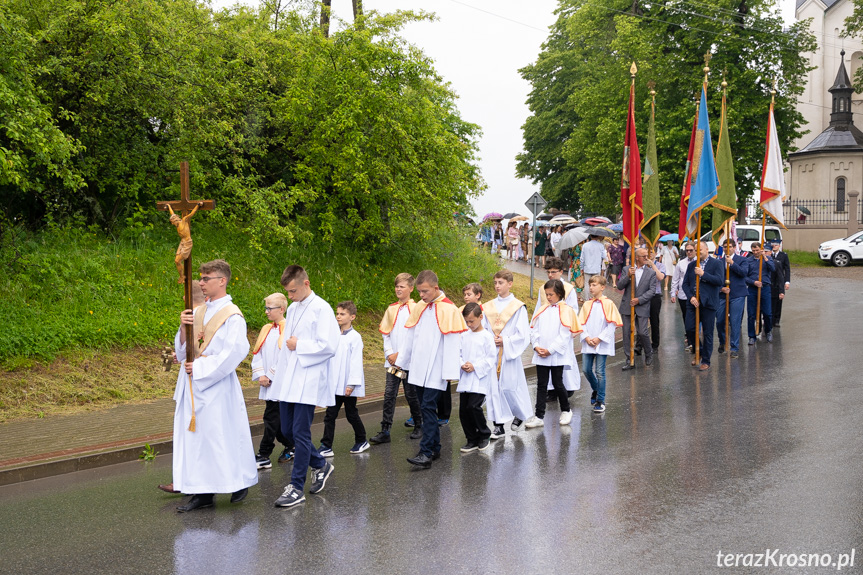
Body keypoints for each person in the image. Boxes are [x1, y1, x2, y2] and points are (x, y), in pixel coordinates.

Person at [172, 259, 258, 512]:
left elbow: (234, 352)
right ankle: (202, 492)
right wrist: (182, 327)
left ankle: (236, 480)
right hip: (191, 383)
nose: (201, 283)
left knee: (217, 437)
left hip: (215, 384)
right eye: (200, 278)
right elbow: (181, 353)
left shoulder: (232, 315)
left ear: (222, 281)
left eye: (206, 278)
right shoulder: (197, 312)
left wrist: (199, 368)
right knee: (196, 439)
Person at [271, 265, 340, 508]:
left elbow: (330, 345)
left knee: (300, 433)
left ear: (306, 284)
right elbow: (287, 345)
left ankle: (296, 487)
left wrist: (299, 344)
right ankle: (320, 464)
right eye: (288, 292)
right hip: (290, 377)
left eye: (293, 291)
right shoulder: (294, 307)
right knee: (288, 431)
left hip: (308, 379)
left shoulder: (322, 308)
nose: (290, 296)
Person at [398, 270, 467, 469]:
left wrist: (449, 375)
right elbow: (410, 336)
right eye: (419, 292)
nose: (421, 295)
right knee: (423, 407)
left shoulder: (449, 309)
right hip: (419, 368)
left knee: (428, 407)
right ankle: (435, 447)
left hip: (437, 370)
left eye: (425, 291)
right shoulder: (420, 306)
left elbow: (453, 344)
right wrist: (403, 361)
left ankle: (425, 452)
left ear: (436, 288)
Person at [369, 273, 423, 445]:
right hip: (392, 362)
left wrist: (401, 355)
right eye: (397, 286)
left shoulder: (416, 308)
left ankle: (419, 424)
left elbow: (415, 336)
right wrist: (389, 354)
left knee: (410, 394)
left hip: (408, 362)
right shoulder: (391, 309)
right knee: (389, 394)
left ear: (411, 288)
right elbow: (386, 334)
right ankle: (385, 430)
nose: (398, 289)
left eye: (402, 286)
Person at [482, 270, 531, 439]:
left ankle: (519, 414)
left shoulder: (518, 307)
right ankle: (498, 425)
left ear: (510, 284)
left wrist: (506, 340)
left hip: (508, 352)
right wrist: (489, 340)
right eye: (495, 283)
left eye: (501, 283)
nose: (497, 286)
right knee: (493, 389)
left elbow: (523, 334)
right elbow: (483, 329)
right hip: (492, 352)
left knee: (509, 387)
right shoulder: (488, 306)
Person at [525, 279, 581, 429]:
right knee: (541, 385)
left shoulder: (566, 310)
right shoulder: (542, 309)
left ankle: (566, 410)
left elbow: (565, 335)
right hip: (541, 353)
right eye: (547, 294)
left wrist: (551, 349)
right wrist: (536, 346)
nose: (548, 297)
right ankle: (539, 415)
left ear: (559, 294)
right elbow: (534, 330)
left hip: (556, 354)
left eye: (551, 294)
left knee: (558, 383)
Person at [319, 301, 368, 456]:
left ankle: (362, 440)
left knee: (351, 414)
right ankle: (326, 446)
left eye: (342, 314)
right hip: (334, 384)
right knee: (330, 415)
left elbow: (355, 362)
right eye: (337, 313)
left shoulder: (355, 337)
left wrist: (352, 383)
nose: (338, 316)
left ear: (352, 317)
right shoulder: (333, 335)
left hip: (347, 385)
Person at [251, 293, 294, 470]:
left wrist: (270, 375)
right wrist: (261, 373)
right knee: (276, 422)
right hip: (267, 382)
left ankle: (264, 454)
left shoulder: (288, 329)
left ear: (282, 309)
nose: (266, 311)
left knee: (271, 419)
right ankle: (292, 445)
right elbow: (257, 353)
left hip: (279, 382)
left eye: (270, 308)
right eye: (266, 308)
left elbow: (285, 357)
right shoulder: (266, 329)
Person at [534, 256, 580, 401]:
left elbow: (573, 309)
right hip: (546, 328)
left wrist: (568, 325)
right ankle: (552, 389)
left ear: (561, 271)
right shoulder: (544, 288)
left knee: (563, 357)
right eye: (548, 272)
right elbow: (538, 308)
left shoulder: (569, 289)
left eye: (553, 272)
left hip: (562, 328)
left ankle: (569, 387)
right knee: (548, 360)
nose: (550, 275)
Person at [577, 275, 622, 414]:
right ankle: (596, 389)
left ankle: (600, 400)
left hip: (602, 343)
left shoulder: (608, 304)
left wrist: (599, 338)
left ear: (602, 287)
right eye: (590, 285)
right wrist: (587, 337)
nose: (591, 287)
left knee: (600, 371)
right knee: (586, 369)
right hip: (588, 342)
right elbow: (581, 323)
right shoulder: (587, 304)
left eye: (594, 285)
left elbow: (612, 324)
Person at [457, 303, 495, 453]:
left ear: (481, 317)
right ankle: (471, 439)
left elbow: (490, 358)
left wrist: (475, 366)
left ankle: (484, 434)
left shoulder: (487, 336)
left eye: (472, 321)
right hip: (466, 377)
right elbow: (458, 353)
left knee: (474, 406)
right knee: (463, 411)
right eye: (466, 321)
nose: (469, 324)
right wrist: (462, 364)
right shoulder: (464, 335)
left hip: (480, 378)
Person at [682, 242, 724, 370]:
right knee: (689, 329)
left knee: (707, 332)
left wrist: (703, 274)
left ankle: (706, 360)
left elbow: (719, 281)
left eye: (699, 249)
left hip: (708, 303)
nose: (697, 251)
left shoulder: (716, 263)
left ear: (707, 249)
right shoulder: (692, 265)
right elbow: (685, 284)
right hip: (693, 303)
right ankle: (698, 351)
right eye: (695, 250)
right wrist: (691, 297)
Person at [618, 247, 657, 370]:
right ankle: (629, 360)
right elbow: (620, 286)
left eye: (647, 255)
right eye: (643, 256)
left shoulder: (651, 272)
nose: (646, 258)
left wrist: (639, 300)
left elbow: (652, 291)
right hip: (627, 305)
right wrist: (628, 276)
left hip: (642, 305)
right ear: (637, 258)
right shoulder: (626, 269)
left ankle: (649, 353)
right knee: (626, 333)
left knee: (642, 332)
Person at [715, 239, 748, 359]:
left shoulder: (742, 259)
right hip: (723, 295)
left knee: (735, 322)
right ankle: (723, 341)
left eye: (729, 246)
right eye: (724, 247)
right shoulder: (718, 261)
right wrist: (721, 288)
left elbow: (744, 273)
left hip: (737, 294)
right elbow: (715, 278)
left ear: (734, 247)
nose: (727, 248)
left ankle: (734, 347)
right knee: (719, 321)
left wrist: (732, 263)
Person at [635, 248, 666, 354]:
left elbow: (661, 277)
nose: (648, 256)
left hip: (655, 296)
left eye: (651, 253)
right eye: (646, 254)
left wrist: (652, 265)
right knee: (640, 320)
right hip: (642, 296)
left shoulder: (661, 265)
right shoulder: (641, 267)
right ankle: (639, 345)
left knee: (654, 320)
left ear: (655, 254)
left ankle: (655, 344)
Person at [745, 242, 775, 345]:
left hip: (765, 288)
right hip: (752, 289)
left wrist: (765, 257)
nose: (755, 252)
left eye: (757, 250)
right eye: (753, 251)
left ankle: (768, 331)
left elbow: (773, 269)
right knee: (751, 314)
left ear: (761, 249)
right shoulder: (748, 261)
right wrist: (753, 282)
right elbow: (744, 277)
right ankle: (751, 336)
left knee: (767, 313)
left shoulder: (768, 259)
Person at [671, 242, 697, 350]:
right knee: (687, 319)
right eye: (687, 250)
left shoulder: (700, 262)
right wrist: (673, 293)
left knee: (696, 319)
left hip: (696, 296)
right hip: (683, 295)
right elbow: (675, 279)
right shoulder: (680, 263)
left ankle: (695, 339)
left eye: (691, 250)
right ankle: (691, 341)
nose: (689, 252)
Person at [770, 241, 791, 327]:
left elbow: (787, 269)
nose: (774, 247)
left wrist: (787, 282)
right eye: (773, 245)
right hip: (771, 280)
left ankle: (776, 319)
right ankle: (769, 319)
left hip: (779, 280)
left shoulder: (783, 255)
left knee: (779, 300)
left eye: (776, 245)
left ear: (779, 246)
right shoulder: (768, 255)